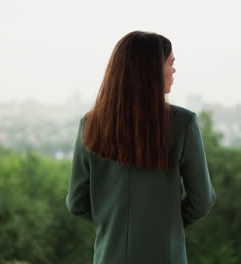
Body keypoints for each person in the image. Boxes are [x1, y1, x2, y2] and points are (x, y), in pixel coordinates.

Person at [65, 30, 216, 264]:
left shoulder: (90, 124)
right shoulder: (183, 124)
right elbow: (202, 200)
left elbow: (77, 203)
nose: (174, 71)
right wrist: (167, 224)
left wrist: (114, 223)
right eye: (171, 63)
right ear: (152, 71)